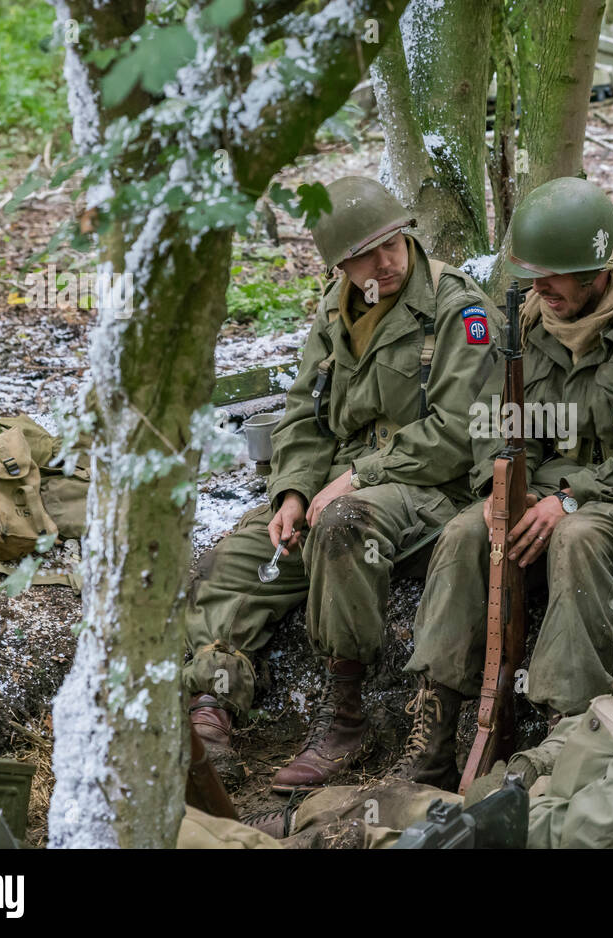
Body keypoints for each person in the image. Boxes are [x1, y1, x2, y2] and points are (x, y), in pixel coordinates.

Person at [382, 176, 613, 789]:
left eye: (557, 274)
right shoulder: (531, 316)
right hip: (551, 491)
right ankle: (434, 726)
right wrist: (502, 487)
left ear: (599, 268)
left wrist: (572, 497)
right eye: (533, 272)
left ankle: (566, 730)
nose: (541, 286)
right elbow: (492, 416)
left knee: (579, 539)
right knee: (465, 532)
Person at [183, 176, 503, 790]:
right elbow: (304, 413)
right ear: (339, 264)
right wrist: (292, 492)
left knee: (342, 524)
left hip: (429, 488)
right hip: (342, 485)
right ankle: (213, 704)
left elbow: (462, 431)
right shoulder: (336, 311)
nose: (384, 261)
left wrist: (359, 476)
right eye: (364, 254)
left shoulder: (458, 310)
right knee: (242, 554)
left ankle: (345, 716)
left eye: (392, 243)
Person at [239, 525, 613, 849]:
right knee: (378, 803)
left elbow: (591, 835)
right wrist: (529, 767)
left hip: (540, 834)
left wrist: (499, 814)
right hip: (543, 803)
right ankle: (291, 821)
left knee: (371, 831)